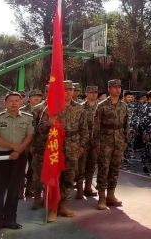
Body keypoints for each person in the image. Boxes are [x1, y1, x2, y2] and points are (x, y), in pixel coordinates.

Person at [37, 80, 88, 223]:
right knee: (54, 177)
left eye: (71, 89)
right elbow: (40, 129)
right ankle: (52, 209)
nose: (69, 92)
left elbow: (84, 128)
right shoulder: (51, 108)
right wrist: (49, 123)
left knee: (68, 178)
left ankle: (63, 206)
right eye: (65, 90)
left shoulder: (78, 107)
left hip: (73, 147)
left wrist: (82, 145)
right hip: (55, 147)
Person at [0, 92, 34, 236]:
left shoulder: (28, 118)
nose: (14, 103)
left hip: (19, 156)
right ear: (5, 103)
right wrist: (14, 148)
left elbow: (30, 135)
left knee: (14, 190)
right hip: (1, 157)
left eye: (17, 101)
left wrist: (19, 150)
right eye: (10, 101)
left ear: (22, 103)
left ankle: (10, 220)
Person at [93, 79, 130, 211]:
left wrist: (126, 140)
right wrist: (96, 142)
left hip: (119, 140)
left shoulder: (123, 106)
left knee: (115, 169)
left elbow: (126, 124)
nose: (117, 89)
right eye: (114, 87)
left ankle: (111, 195)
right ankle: (102, 197)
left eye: (119, 87)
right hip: (105, 141)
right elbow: (96, 126)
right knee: (103, 169)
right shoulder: (101, 105)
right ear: (109, 89)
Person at [76, 86, 100, 199]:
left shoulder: (99, 107)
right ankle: (79, 189)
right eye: (91, 92)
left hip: (95, 140)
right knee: (81, 165)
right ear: (86, 93)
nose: (94, 94)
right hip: (83, 140)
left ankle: (88, 187)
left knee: (92, 164)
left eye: (95, 92)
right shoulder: (80, 107)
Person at [18, 89, 43, 199]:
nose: (36, 98)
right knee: (21, 167)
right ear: (29, 98)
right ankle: (20, 190)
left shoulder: (44, 110)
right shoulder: (22, 111)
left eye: (38, 96)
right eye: (34, 96)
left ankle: (29, 189)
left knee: (33, 169)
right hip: (24, 143)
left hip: (37, 144)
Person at [123, 91, 138, 167]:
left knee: (130, 145)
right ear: (124, 97)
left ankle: (127, 159)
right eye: (128, 97)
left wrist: (135, 127)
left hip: (131, 129)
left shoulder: (132, 106)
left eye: (131, 97)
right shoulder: (121, 106)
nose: (130, 99)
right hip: (122, 131)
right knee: (122, 146)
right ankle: (120, 160)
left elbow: (134, 117)